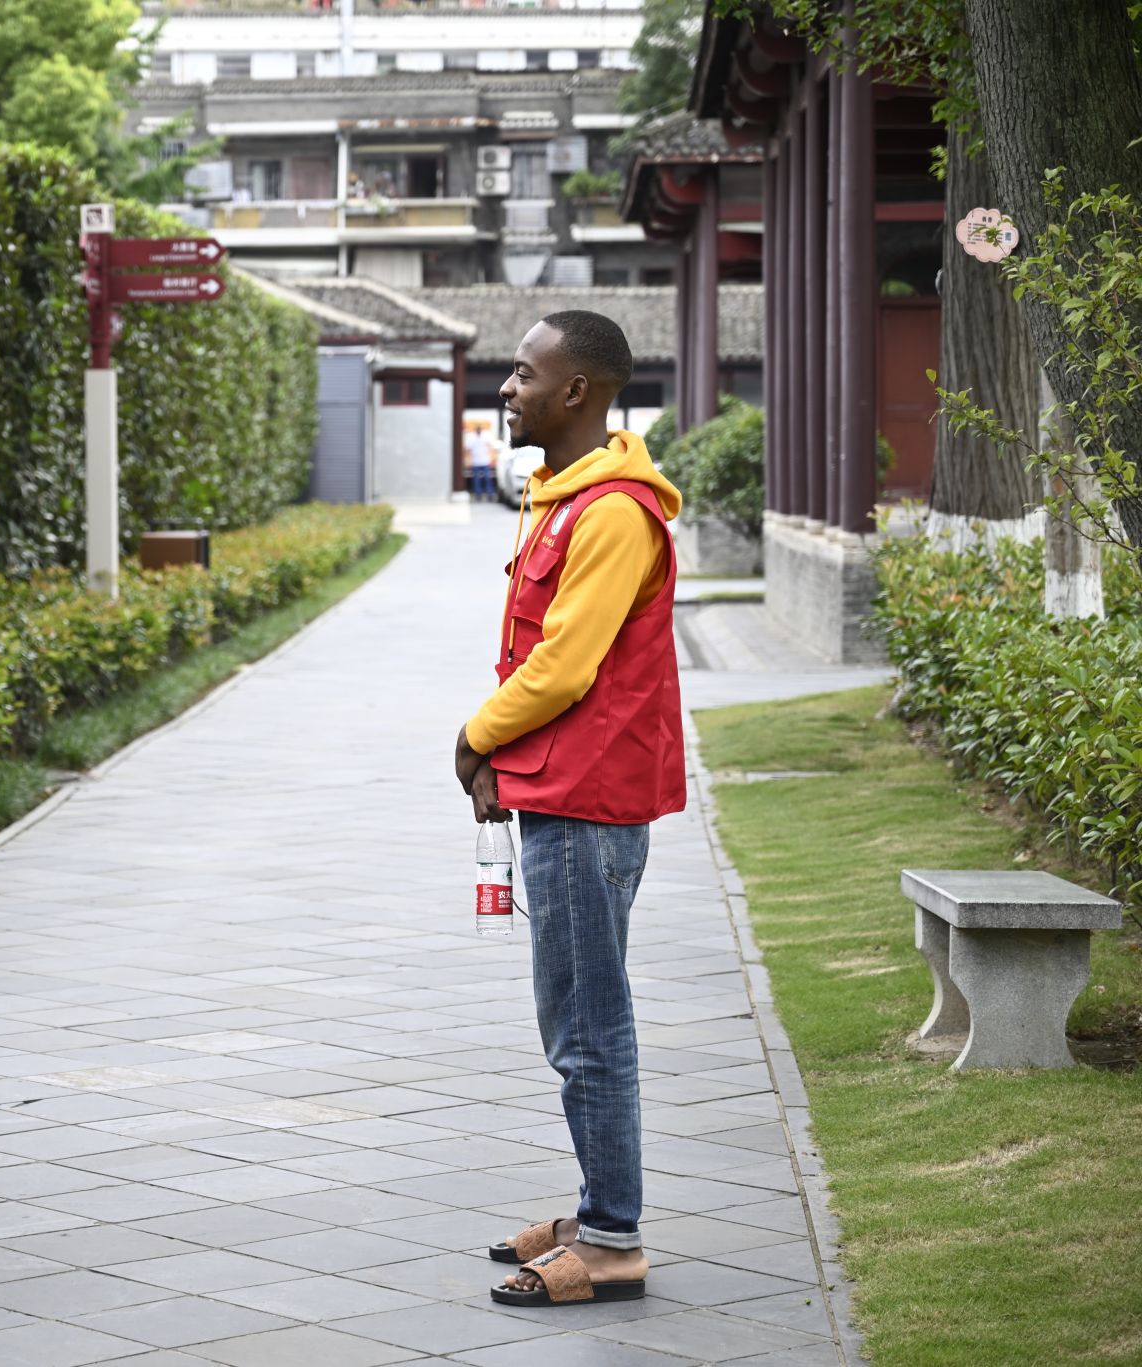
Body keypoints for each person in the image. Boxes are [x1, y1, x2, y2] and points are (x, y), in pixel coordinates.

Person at [453, 310, 685, 1309]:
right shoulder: (563, 497)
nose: (507, 388)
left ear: (576, 390)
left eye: (522, 372)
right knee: (577, 1015)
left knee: (588, 1025)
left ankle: (612, 1242)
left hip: (588, 799)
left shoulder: (612, 513)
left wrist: (473, 737)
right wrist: (501, 759)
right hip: (562, 785)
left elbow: (564, 664)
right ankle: (596, 1210)